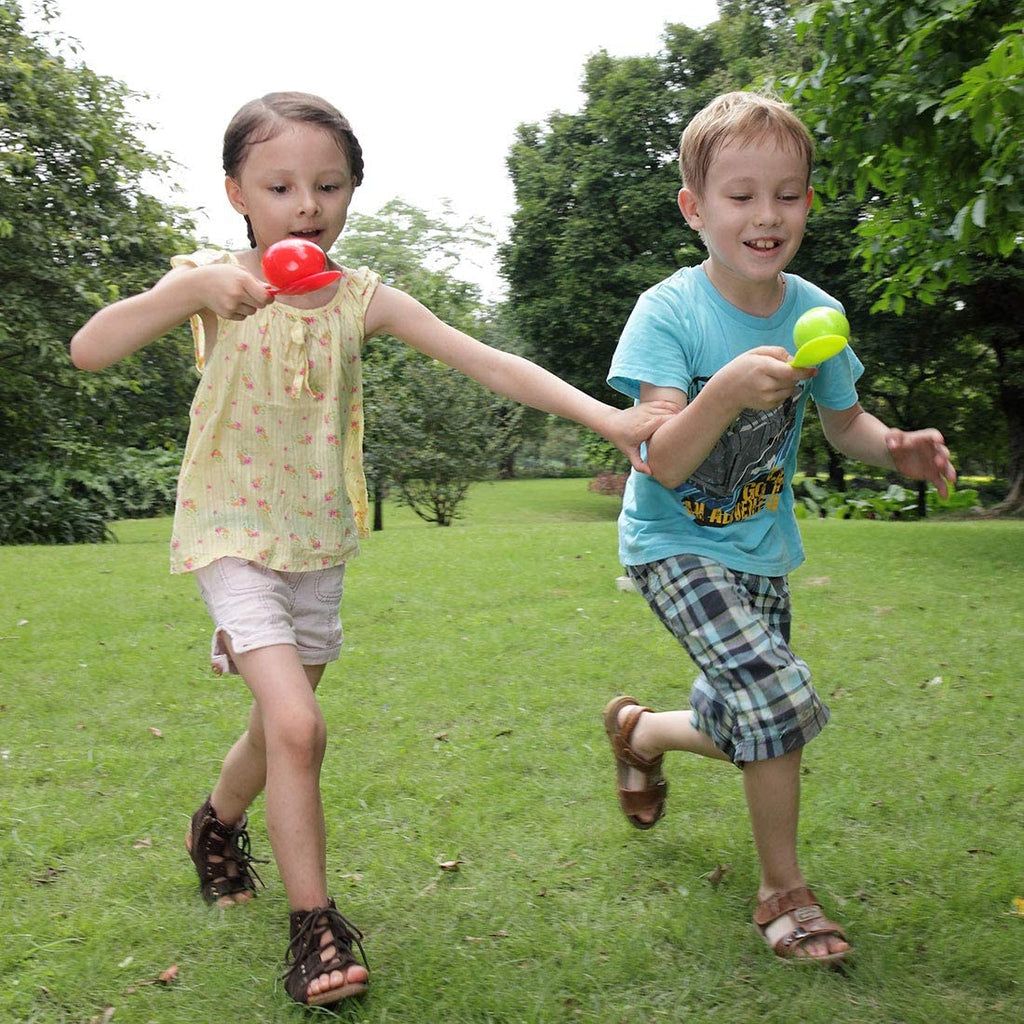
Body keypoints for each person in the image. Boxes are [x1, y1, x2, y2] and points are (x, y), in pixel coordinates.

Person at [70, 91, 676, 1008]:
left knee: (280, 726)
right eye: (279, 185)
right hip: (230, 533)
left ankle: (215, 825)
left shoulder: (363, 300)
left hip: (317, 542)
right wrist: (189, 291)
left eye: (329, 184)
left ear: (353, 193)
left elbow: (491, 361)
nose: (305, 204)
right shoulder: (212, 281)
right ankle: (314, 929)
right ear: (238, 190)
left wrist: (612, 419)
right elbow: (89, 351)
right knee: (301, 729)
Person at [601, 91, 955, 966]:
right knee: (777, 698)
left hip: (761, 548)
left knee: (744, 723)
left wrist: (896, 448)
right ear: (695, 209)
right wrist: (724, 390)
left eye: (788, 194)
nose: (767, 216)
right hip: (673, 542)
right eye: (741, 195)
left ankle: (640, 732)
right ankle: (782, 895)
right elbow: (665, 461)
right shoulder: (669, 314)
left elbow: (845, 424)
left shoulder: (815, 311)